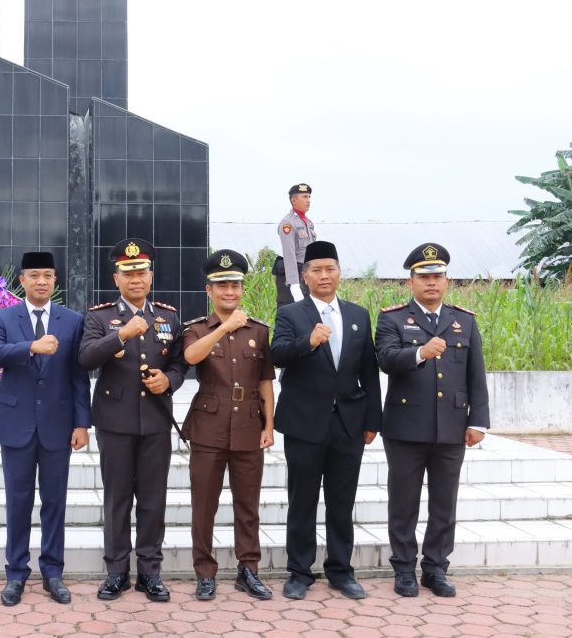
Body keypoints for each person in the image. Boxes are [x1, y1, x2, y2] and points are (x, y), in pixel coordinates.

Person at [375, 243, 490, 598]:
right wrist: (420, 353)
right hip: (405, 428)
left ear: (447, 280)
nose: (431, 283)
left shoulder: (464, 320)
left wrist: (478, 422)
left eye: (437, 276)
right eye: (423, 277)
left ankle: (436, 568)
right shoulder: (392, 318)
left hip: (452, 426)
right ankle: (404, 569)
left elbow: (476, 374)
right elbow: (386, 359)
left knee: (444, 502)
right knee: (404, 502)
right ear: (410, 282)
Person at [271, 240, 381, 601]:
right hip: (304, 424)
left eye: (329, 269)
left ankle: (340, 570)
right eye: (316, 270)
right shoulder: (291, 314)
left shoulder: (358, 315)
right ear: (304, 276)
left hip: (348, 423)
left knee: (341, 501)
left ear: (339, 272)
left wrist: (372, 421)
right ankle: (299, 572)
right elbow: (277, 355)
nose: (323, 275)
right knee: (302, 500)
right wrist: (309, 341)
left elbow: (369, 370)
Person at [79, 238, 186, 603]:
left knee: (153, 501)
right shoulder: (98, 316)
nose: (135, 279)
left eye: (141, 272)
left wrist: (168, 381)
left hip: (157, 422)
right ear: (116, 278)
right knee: (118, 500)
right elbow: (87, 357)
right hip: (115, 421)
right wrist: (121, 334)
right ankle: (116, 572)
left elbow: (180, 362)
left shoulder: (169, 316)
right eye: (128, 273)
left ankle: (150, 574)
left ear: (151, 276)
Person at [0, 252, 92, 607]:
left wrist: (81, 422)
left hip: (58, 425)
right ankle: (15, 573)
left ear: (55, 281)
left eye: (47, 275)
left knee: (54, 502)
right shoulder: (3, 317)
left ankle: (53, 572)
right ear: (22, 281)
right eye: (34, 275)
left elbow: (79, 375)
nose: (41, 281)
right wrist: (31, 346)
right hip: (16, 424)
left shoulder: (73, 320)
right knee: (18, 502)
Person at [180, 249, 274, 602]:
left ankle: (248, 569)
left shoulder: (260, 331)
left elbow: (266, 381)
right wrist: (224, 328)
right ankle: (205, 572)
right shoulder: (196, 329)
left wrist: (270, 425)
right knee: (204, 504)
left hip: (250, 425)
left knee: (248, 505)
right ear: (209, 291)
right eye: (221, 286)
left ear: (242, 288)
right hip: (208, 426)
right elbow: (191, 357)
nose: (229, 292)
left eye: (234, 285)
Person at [274, 183, 317, 307]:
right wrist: (294, 284)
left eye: (309, 197)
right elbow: (289, 254)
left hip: (307, 276)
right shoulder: (288, 223)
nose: (308, 201)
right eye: (304, 197)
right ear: (294, 200)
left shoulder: (308, 222)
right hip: (293, 277)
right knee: (291, 314)